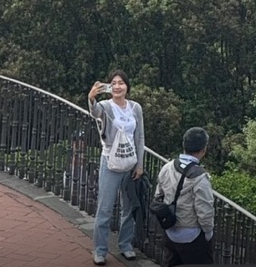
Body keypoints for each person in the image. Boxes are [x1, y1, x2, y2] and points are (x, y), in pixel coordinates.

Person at [88, 70, 145, 265]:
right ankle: (100, 250)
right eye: (114, 83)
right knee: (105, 209)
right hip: (110, 163)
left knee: (128, 208)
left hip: (130, 163)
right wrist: (92, 98)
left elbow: (140, 137)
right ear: (109, 87)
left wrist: (140, 165)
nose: (118, 86)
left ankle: (125, 245)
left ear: (127, 86)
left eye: (121, 83)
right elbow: (95, 113)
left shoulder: (135, 108)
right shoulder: (106, 106)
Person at [152, 127, 214, 266]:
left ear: (184, 145)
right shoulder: (200, 177)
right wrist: (208, 234)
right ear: (203, 149)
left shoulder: (167, 167)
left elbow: (158, 195)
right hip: (191, 235)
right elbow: (204, 212)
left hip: (170, 231)